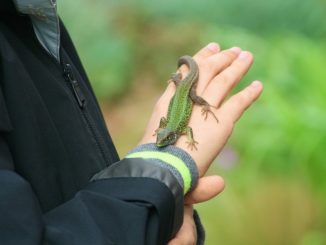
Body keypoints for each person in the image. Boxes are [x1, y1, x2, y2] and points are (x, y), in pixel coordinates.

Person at [0, 0, 263, 244]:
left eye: (163, 139)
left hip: (185, 94)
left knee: (195, 98)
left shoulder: (33, 19)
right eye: (163, 139)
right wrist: (155, 193)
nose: (162, 140)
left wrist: (151, 212)